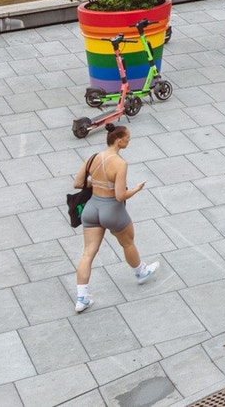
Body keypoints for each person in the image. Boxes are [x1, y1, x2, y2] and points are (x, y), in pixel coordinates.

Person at [71, 123, 157, 313]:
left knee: (87, 254)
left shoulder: (93, 157)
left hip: (92, 208)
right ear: (119, 141)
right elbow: (120, 196)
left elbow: (77, 183)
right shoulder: (120, 164)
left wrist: (94, 182)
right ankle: (140, 271)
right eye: (127, 138)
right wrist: (135, 189)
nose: (129, 140)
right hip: (112, 210)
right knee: (127, 242)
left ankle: (81, 298)